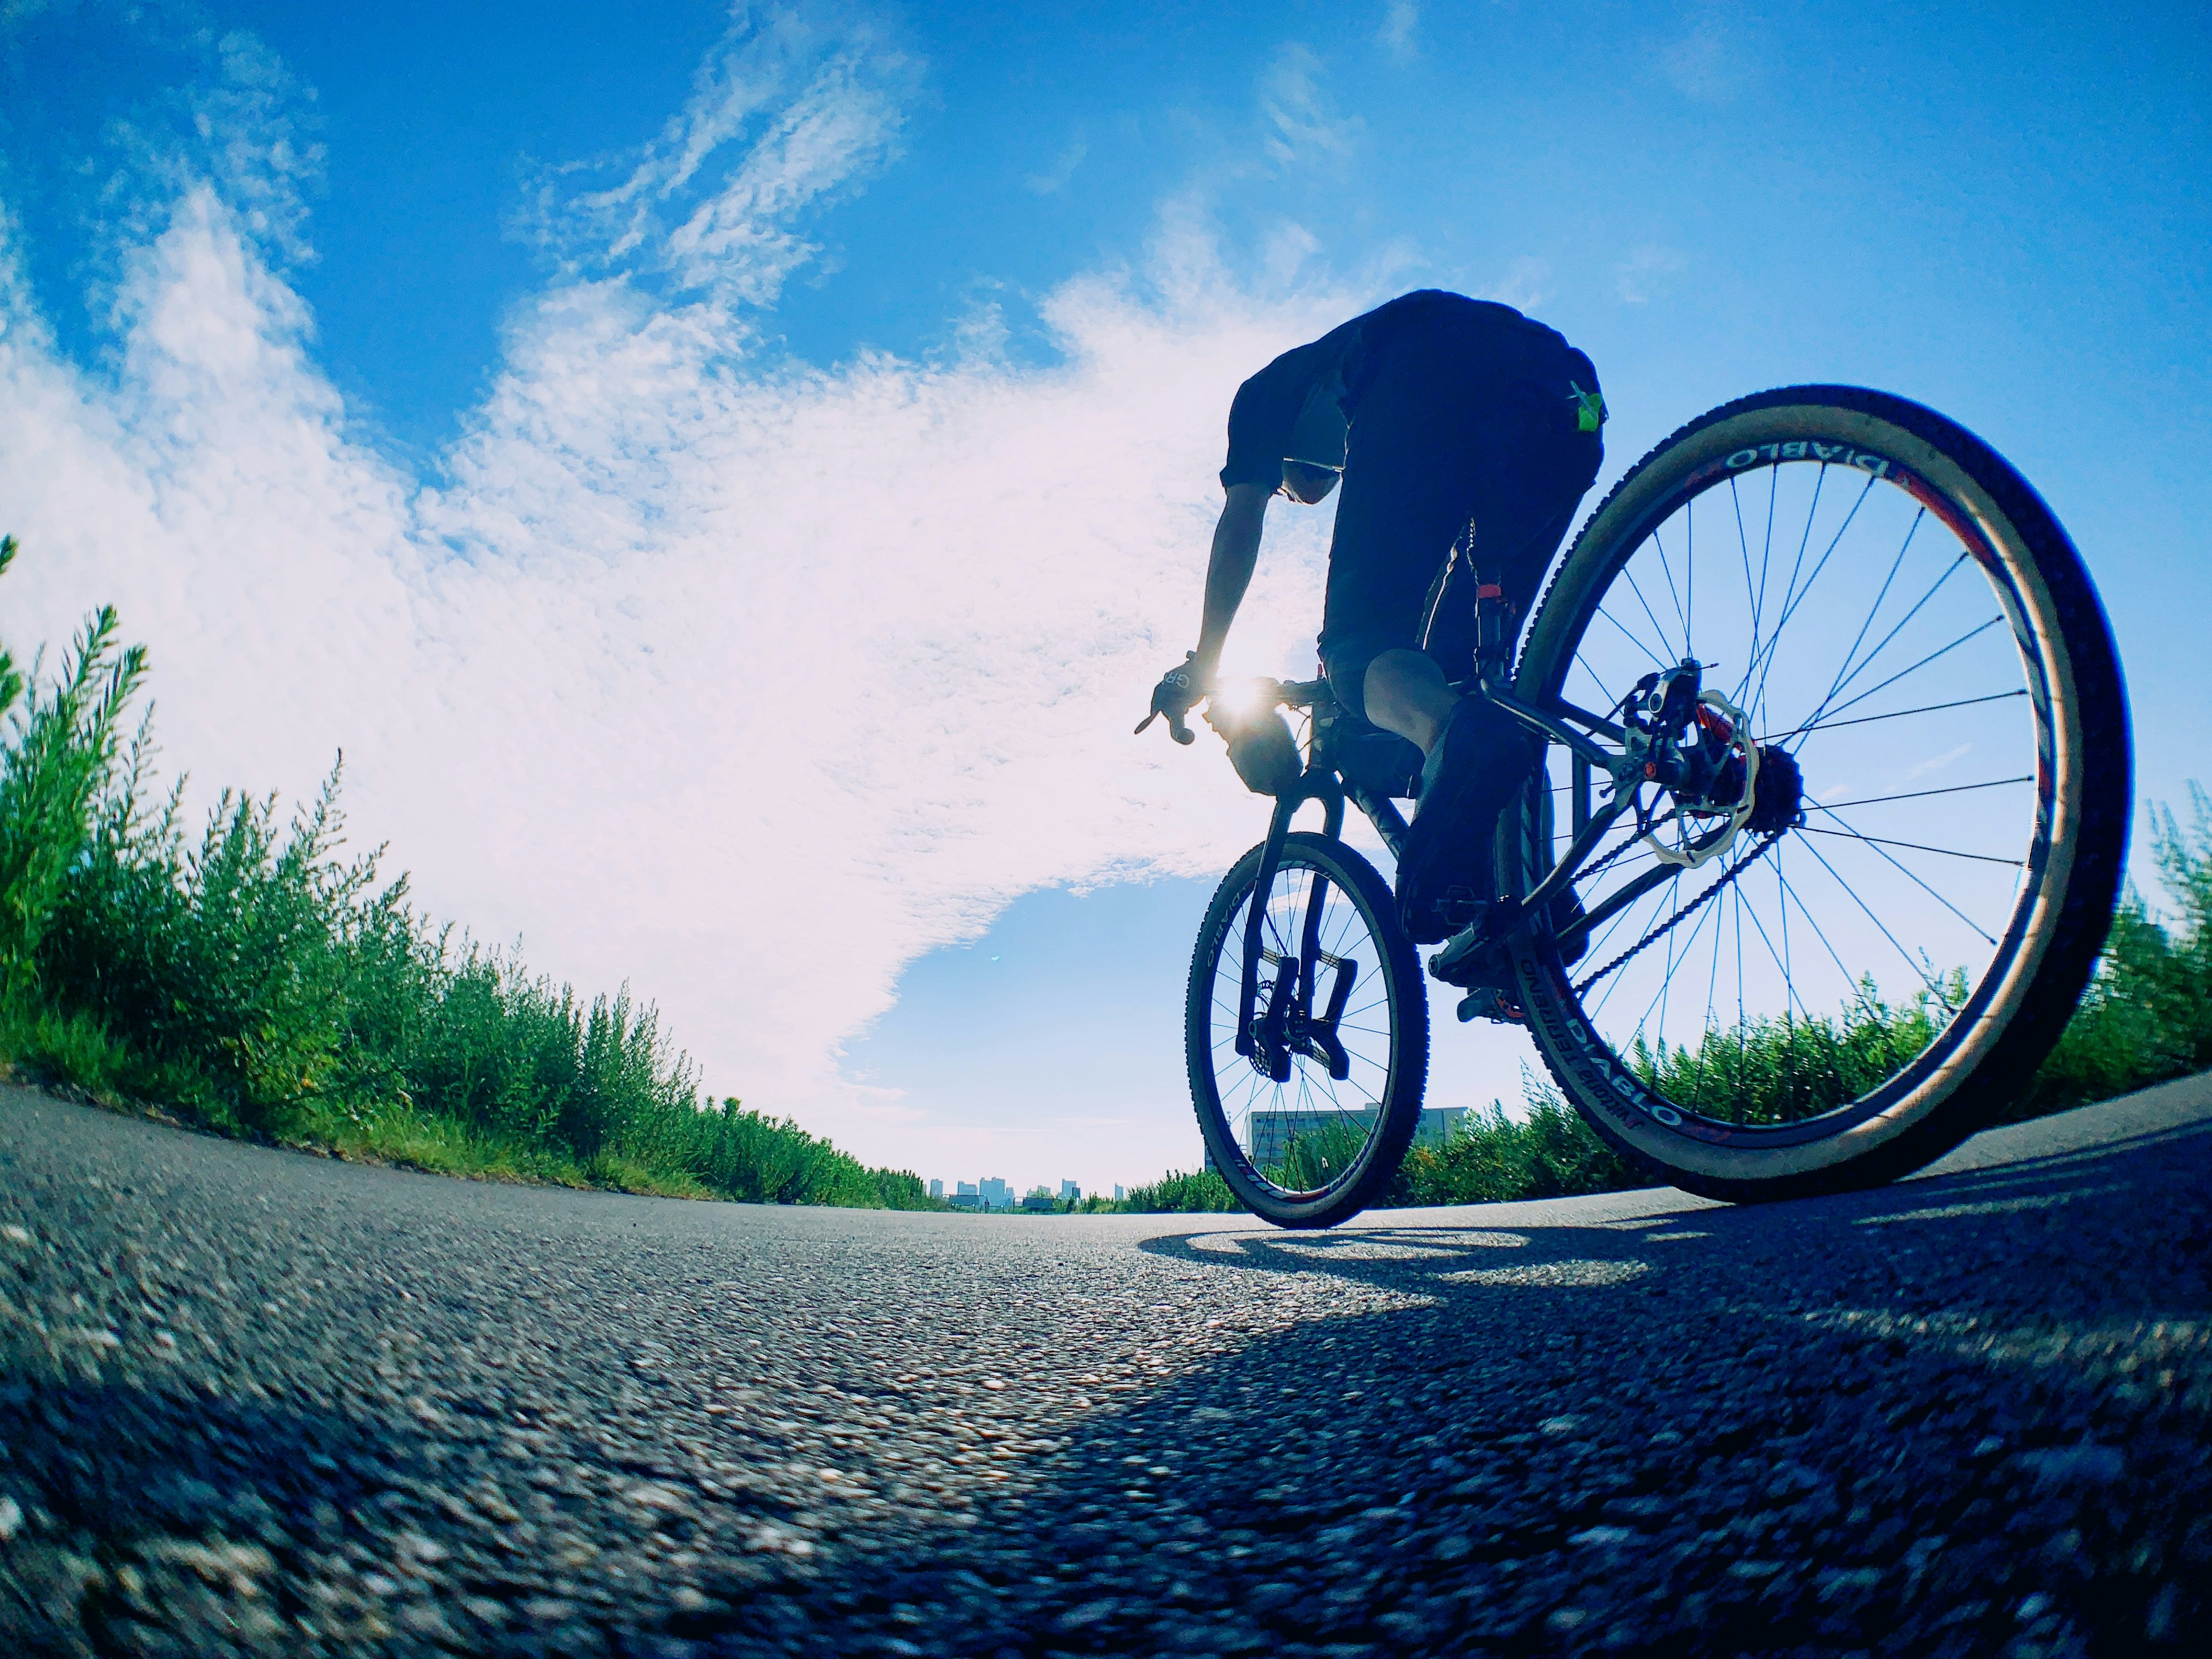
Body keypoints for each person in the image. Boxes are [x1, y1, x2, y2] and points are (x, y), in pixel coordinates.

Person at [1143, 289, 1605, 949]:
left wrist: (1205, 665)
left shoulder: (1264, 396)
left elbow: (1239, 523)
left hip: (1426, 360)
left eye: (1280, 487)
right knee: (1476, 683)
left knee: (1360, 650)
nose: (1294, 497)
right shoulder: (1347, 417)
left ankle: (1455, 739)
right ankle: (1532, 893)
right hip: (1561, 392)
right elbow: (1436, 560)